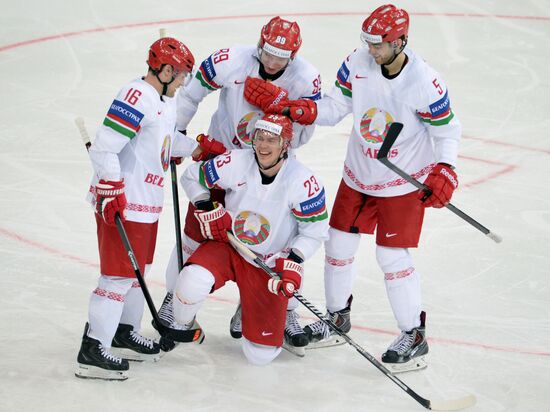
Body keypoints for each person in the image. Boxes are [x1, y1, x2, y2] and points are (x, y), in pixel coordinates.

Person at [244, 4, 461, 373]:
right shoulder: (358, 63)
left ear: (400, 41)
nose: (371, 50)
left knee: (392, 259)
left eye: (378, 45)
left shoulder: (425, 82)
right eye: (368, 42)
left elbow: (446, 131)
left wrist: (446, 170)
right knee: (338, 247)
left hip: (401, 183)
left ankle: (414, 335)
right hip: (358, 176)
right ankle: (337, 318)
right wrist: (301, 110)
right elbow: (334, 106)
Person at [159, 16, 322, 352]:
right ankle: (172, 301)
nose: (272, 61)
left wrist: (282, 106)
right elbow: (190, 94)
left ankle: (253, 303)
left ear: (294, 56)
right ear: (259, 45)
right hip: (223, 161)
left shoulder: (306, 79)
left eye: (282, 56)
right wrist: (178, 133)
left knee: (270, 238)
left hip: (266, 166)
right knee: (193, 236)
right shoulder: (229, 60)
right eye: (268, 52)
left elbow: (302, 136)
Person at [75, 37, 198, 380]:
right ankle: (92, 349)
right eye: (183, 75)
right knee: (116, 278)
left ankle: (123, 331)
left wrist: (197, 148)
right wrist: (111, 187)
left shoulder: (165, 99)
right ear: (166, 69)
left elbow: (166, 140)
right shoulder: (136, 96)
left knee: (135, 274)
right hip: (125, 204)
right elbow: (103, 148)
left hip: (148, 204)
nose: (184, 82)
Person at [170, 114, 329, 364]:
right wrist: (205, 205)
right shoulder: (236, 162)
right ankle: (182, 322)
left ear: (285, 145)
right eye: (259, 138)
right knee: (191, 282)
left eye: (272, 140)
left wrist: (294, 261)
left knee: (260, 356)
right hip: (229, 247)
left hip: (267, 262)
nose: (263, 146)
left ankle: (255, 309)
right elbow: (191, 176)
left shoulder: (303, 182)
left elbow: (315, 230)